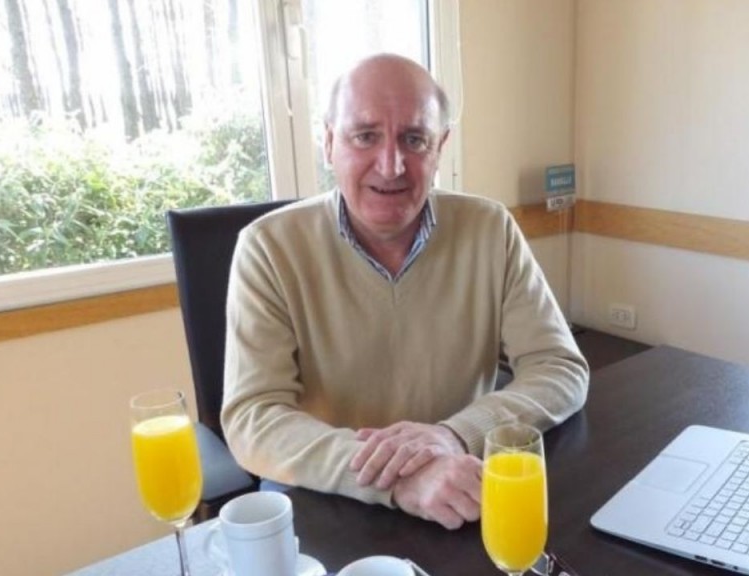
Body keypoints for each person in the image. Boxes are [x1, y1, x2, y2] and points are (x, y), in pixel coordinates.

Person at [221, 53, 588, 530]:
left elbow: (559, 367)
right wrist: (398, 478)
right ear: (329, 142)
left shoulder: (490, 229)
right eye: (365, 136)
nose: (391, 165)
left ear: (440, 147)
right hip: (327, 502)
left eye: (414, 139)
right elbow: (254, 417)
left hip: (458, 490)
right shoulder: (267, 247)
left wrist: (455, 435)